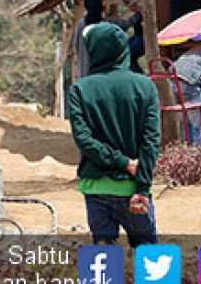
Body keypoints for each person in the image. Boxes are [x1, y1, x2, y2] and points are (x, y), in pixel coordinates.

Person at [68, 22, 160, 247]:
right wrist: (142, 186)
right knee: (151, 264)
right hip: (134, 189)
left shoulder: (80, 90)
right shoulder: (145, 86)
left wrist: (122, 162)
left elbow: (84, 140)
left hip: (96, 190)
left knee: (103, 264)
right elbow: (151, 141)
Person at [73, 0, 141, 82]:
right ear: (102, 7)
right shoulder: (108, 25)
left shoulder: (80, 25)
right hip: (104, 78)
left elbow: (76, 46)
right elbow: (126, 24)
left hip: (85, 76)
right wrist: (137, 11)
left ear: (86, 7)